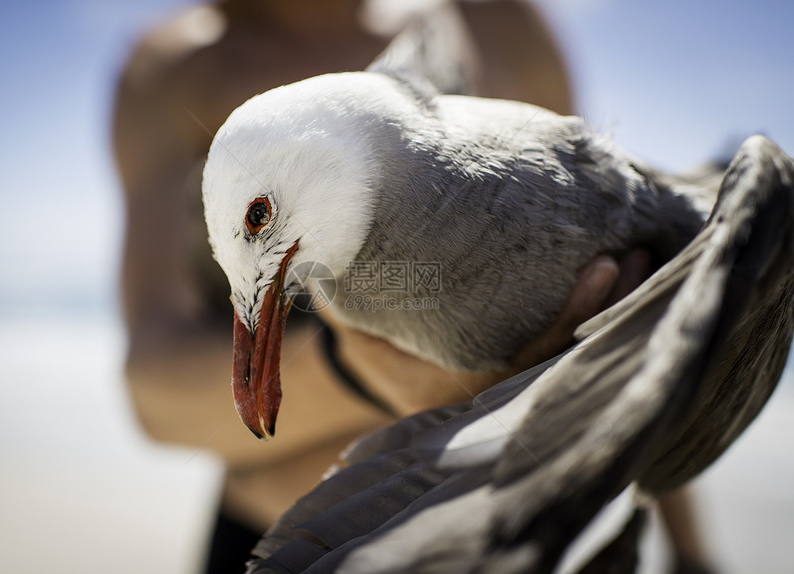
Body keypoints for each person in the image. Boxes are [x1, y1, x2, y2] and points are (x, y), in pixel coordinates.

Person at [111, 1, 708, 571]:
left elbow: (630, 259)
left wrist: (688, 547)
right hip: (288, 543)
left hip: (514, 531)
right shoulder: (178, 65)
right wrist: (371, 369)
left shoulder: (496, 22)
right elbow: (155, 398)